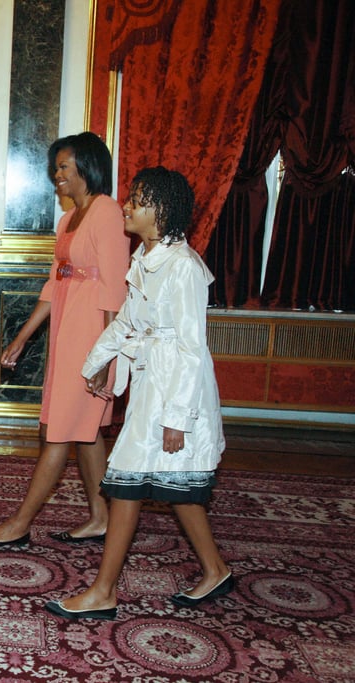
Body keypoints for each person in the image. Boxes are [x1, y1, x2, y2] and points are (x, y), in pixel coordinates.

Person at [46, 167, 231, 621]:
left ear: (162, 211)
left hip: (173, 392)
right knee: (177, 489)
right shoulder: (145, 259)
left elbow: (190, 349)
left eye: (138, 200)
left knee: (126, 481)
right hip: (151, 385)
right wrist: (94, 365)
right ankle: (216, 569)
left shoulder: (184, 267)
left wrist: (177, 418)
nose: (127, 206)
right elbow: (127, 323)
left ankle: (103, 591)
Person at [0, 132, 129, 548]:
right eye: (55, 168)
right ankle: (101, 517)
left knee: (57, 432)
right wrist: (22, 338)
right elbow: (53, 284)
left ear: (87, 167)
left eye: (63, 166)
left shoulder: (107, 212)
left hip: (92, 335)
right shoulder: (68, 219)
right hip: (67, 330)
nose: (55, 175)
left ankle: (20, 524)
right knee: (86, 431)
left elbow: (114, 290)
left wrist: (107, 357)